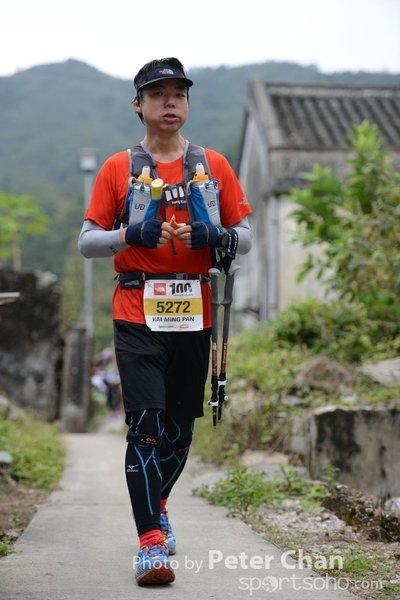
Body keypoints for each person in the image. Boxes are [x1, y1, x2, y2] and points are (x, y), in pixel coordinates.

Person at [78, 57, 252, 586]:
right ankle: (151, 543)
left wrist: (216, 236)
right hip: (136, 310)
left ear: (187, 103)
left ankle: (158, 504)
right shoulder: (118, 168)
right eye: (157, 94)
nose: (170, 102)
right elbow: (87, 242)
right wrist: (129, 235)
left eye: (179, 93)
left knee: (179, 431)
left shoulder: (212, 165)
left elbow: (245, 237)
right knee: (146, 425)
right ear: (139, 105)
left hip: (195, 309)